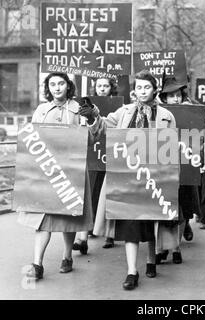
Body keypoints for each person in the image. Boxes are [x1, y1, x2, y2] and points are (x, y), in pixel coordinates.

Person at [80, 70, 176, 290]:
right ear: (134, 90)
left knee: (153, 219)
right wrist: (93, 115)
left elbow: (171, 149)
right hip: (127, 175)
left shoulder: (166, 116)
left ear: (155, 90)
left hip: (154, 177)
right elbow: (103, 128)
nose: (142, 92)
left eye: (147, 87)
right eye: (139, 87)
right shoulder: (124, 112)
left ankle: (151, 259)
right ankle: (132, 271)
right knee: (130, 223)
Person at [18, 72, 94, 280]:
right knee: (43, 220)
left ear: (68, 86)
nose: (57, 87)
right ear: (48, 88)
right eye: (52, 84)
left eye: (61, 83)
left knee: (68, 217)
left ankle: (67, 256)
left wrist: (91, 119)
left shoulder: (78, 109)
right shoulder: (41, 110)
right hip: (47, 172)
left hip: (72, 171)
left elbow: (91, 140)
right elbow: (31, 138)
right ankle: (37, 264)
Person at [155, 76, 201, 264]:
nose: (175, 99)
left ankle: (175, 247)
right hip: (163, 169)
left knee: (182, 210)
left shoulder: (192, 112)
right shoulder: (157, 113)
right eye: (170, 96)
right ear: (164, 98)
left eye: (178, 95)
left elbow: (202, 133)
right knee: (162, 209)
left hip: (185, 168)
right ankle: (160, 248)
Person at [73, 78, 118, 253]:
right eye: (99, 86)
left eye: (106, 86)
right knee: (89, 194)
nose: (102, 89)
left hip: (112, 153)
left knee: (109, 196)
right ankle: (83, 237)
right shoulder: (86, 104)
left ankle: (110, 235)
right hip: (93, 154)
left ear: (111, 88)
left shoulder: (119, 106)